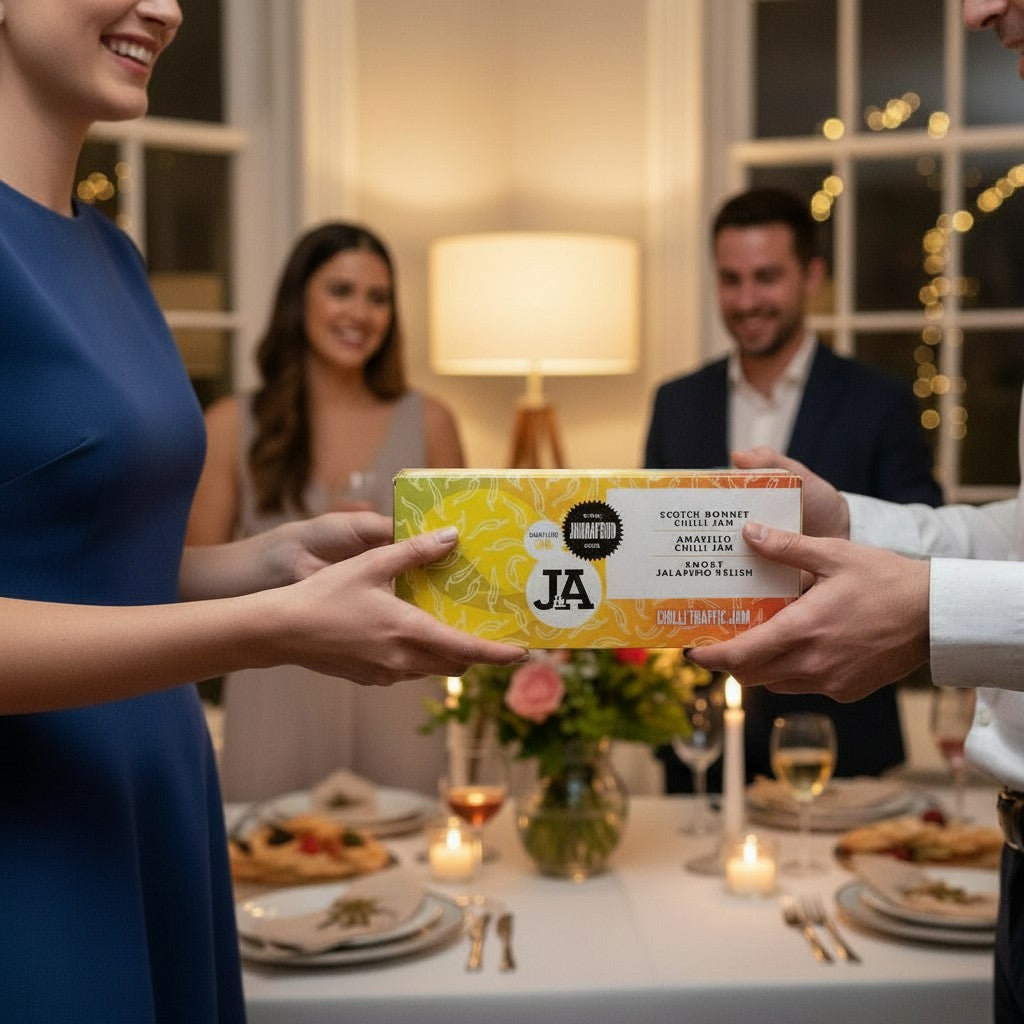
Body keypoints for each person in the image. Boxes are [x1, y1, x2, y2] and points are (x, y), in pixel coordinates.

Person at [0, 4, 525, 1022]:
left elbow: (104, 569)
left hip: (159, 788)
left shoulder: (114, 257)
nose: (165, 6)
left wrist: (277, 559)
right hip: (33, 818)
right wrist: (276, 625)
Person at [688, 6, 1024, 1017]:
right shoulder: (681, 398)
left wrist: (930, 612)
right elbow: (1009, 535)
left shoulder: (873, 394)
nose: (972, 10)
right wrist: (843, 523)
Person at [645, 186, 942, 791]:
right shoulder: (676, 403)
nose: (747, 300)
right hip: (698, 742)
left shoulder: (880, 402)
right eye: (730, 279)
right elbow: (650, 557)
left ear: (812, 276)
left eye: (766, 277)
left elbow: (921, 546)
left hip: (842, 733)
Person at [187, 221, 465, 799]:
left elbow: (462, 578)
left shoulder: (432, 423)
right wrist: (293, 549)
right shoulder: (232, 424)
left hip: (400, 694)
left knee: (406, 867)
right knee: (272, 865)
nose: (360, 313)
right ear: (300, 299)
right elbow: (194, 586)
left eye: (378, 297)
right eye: (340, 290)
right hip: (276, 694)